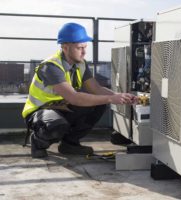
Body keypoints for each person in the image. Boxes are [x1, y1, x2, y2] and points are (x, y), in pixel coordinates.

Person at [22, 22, 137, 158]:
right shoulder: (51, 67)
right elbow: (74, 98)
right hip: (40, 111)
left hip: (62, 107)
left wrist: (120, 96)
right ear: (65, 47)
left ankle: (70, 144)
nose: (84, 52)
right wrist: (112, 98)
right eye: (79, 48)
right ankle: (38, 142)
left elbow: (96, 89)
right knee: (56, 125)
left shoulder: (80, 64)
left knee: (98, 104)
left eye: (85, 47)